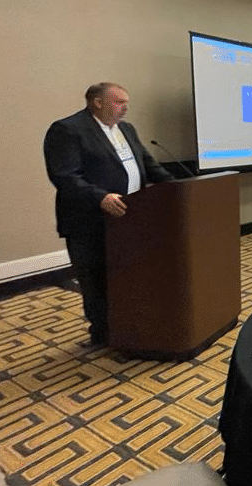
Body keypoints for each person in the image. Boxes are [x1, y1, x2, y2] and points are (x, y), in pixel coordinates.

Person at [44, 82, 174, 346]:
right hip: (89, 222)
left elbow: (148, 165)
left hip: (129, 219)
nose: (125, 107)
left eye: (127, 102)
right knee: (96, 279)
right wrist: (100, 197)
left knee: (126, 276)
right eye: (119, 102)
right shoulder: (68, 129)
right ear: (97, 102)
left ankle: (127, 326)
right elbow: (65, 176)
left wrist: (181, 187)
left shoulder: (126, 129)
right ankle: (102, 334)